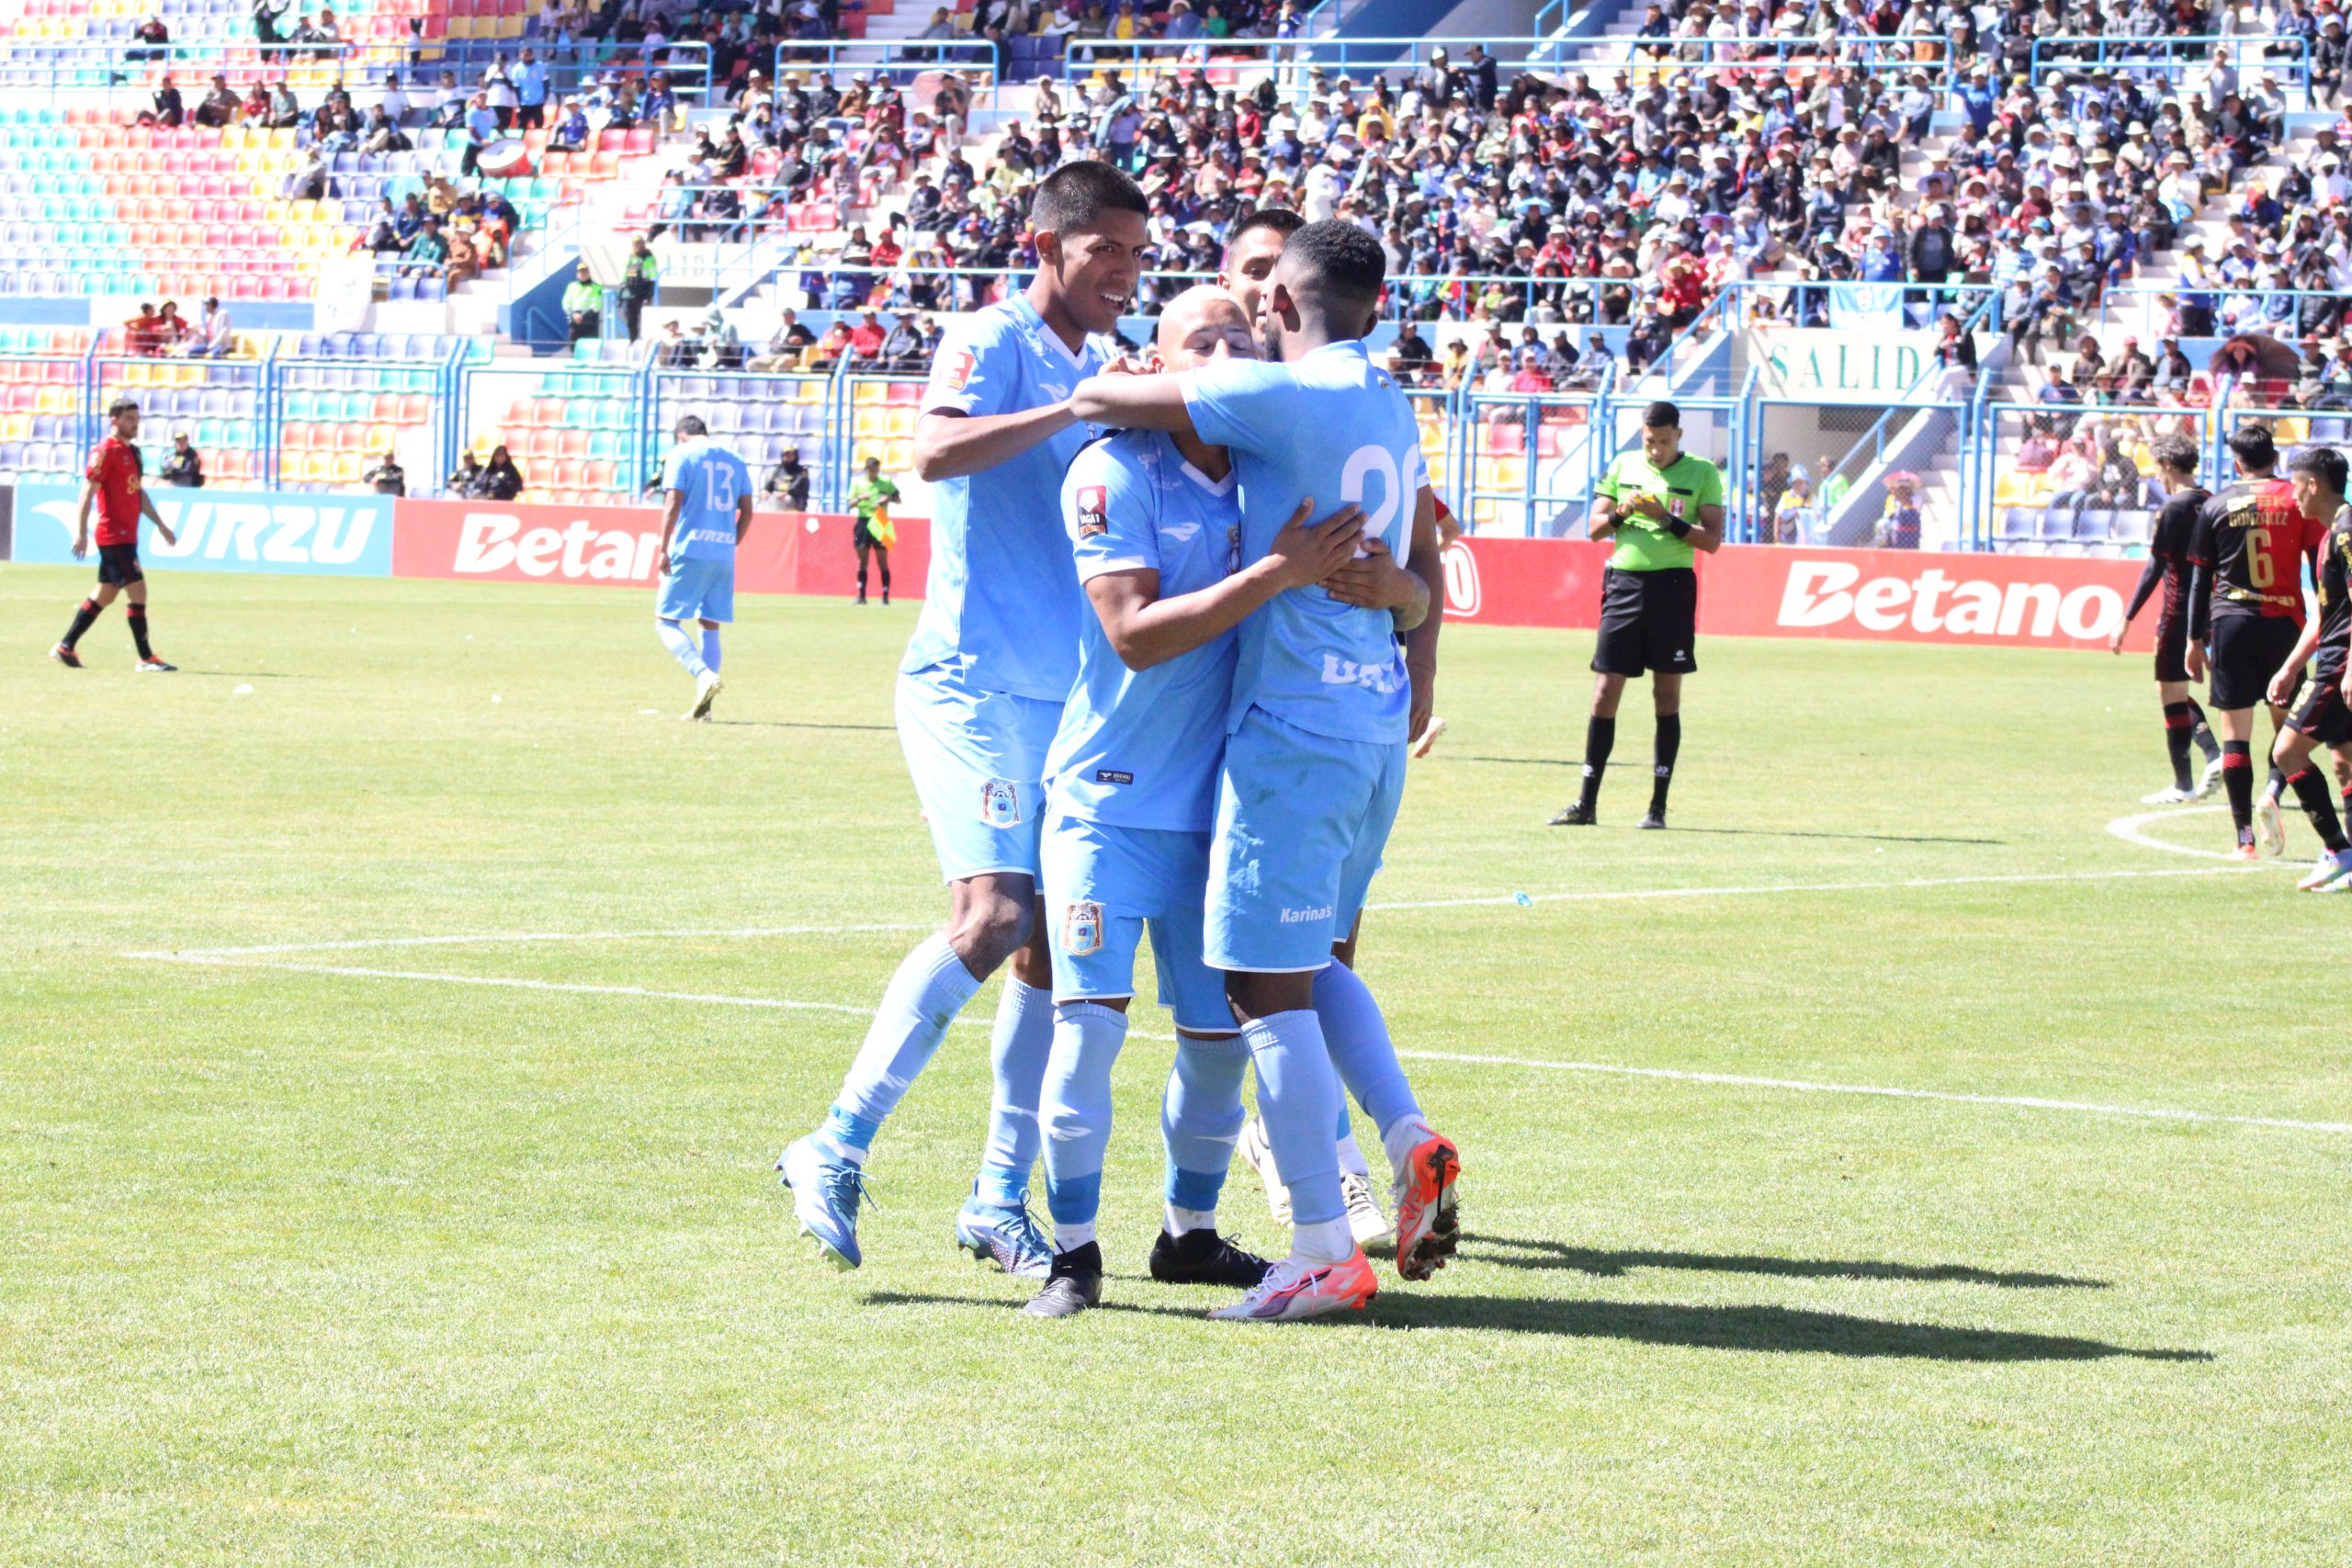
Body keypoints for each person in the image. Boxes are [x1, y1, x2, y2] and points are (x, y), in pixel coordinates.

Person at [1066, 220, 1460, 1320]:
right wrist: (1413, 623)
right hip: (1370, 725)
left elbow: (1095, 400)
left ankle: (1322, 1245)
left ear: (1278, 308)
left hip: (1295, 732)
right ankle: (1404, 1135)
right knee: (1314, 962)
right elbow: (1418, 571)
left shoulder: (1275, 393)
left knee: (1256, 987)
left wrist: (1137, 370)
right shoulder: (1390, 401)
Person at [776, 162, 1148, 1280]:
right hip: (973, 684)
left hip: (1070, 700)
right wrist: (1075, 408)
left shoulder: (1107, 365)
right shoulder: (992, 339)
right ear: (1045, 246)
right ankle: (835, 1141)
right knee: (992, 916)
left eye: (1138, 254)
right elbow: (933, 450)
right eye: (1105, 251)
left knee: (1051, 950)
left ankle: (994, 1198)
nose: (1125, 273)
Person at [1025, 286, 1365, 1319]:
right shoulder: (1112, 471)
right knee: (1088, 1030)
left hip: (1225, 810)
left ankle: (1188, 1234)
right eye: (1196, 338)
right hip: (1107, 800)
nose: (1221, 349)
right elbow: (1132, 635)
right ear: (1159, 364)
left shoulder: (1273, 466)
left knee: (1216, 1047)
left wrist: (1407, 607)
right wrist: (1275, 573)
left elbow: (1405, 553)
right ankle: (1073, 1256)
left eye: (1237, 335)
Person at [1550, 401, 1726, 830]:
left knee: (1666, 696)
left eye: (1664, 442)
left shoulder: (1702, 473)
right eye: (1649, 442)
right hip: (1624, 586)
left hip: (1673, 589)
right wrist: (1623, 512)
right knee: (1604, 692)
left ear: (1678, 435)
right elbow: (1594, 530)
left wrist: (1664, 518)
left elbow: (1712, 541)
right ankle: (1586, 804)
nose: (1656, 450)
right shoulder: (1623, 465)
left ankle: (1657, 808)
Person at [2186, 425, 2329, 858]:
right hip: (2284, 625)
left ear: (2236, 463)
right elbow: (2319, 566)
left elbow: (2200, 580)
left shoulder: (2216, 504)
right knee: (2286, 728)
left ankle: (2244, 839)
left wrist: (2193, 639)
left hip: (2231, 624)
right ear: (2276, 458)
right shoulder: (2294, 500)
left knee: (2235, 737)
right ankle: (2272, 791)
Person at [2111, 436, 2223, 804]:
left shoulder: (2173, 508)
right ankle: (2211, 756)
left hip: (2178, 609)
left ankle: (2186, 781)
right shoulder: (2211, 501)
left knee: (2170, 691)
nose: (2155, 475)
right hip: (2211, 606)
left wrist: (2127, 618)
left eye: (2156, 467)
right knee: (2174, 690)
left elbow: (2155, 566)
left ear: (2168, 465)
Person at [2266, 446, 2352, 890]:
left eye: (2296, 487)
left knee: (2287, 752)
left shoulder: (2347, 532)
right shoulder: (2328, 535)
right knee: (2345, 764)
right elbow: (2323, 614)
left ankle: (2337, 850)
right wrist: (2289, 667)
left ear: (2314, 485)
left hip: (2340, 664)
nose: (2292, 496)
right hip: (2331, 658)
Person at [50, 399, 178, 673]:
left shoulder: (133, 453)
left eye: (137, 418)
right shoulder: (105, 451)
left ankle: (66, 646)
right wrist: (80, 531)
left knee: (105, 595)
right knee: (138, 590)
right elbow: (87, 491)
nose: (135, 423)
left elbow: (138, 493)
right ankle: (146, 658)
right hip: (113, 534)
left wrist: (160, 524)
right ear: (114, 420)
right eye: (130, 418)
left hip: (127, 534)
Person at [653, 414, 754, 723]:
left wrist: (663, 547)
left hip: (691, 547)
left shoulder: (680, 454)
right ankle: (705, 709)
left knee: (666, 622)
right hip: (723, 552)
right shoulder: (735, 458)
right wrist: (731, 544)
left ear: (681, 436)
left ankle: (703, 674)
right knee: (710, 625)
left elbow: (673, 501)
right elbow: (747, 510)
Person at [846, 455, 900, 606]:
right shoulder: (857, 483)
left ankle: (885, 597)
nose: (874, 473)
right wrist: (860, 498)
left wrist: (888, 499)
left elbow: (898, 499)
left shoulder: (886, 482)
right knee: (862, 559)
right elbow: (849, 504)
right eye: (872, 471)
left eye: (876, 470)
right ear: (866, 470)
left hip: (881, 521)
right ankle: (861, 596)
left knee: (882, 559)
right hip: (863, 522)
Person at [618, 238, 657, 342]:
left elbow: (653, 276)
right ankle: (633, 341)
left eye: (639, 243)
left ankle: (644, 341)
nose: (637, 246)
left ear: (643, 244)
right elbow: (624, 276)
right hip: (630, 293)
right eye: (635, 243)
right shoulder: (630, 258)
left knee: (643, 318)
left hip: (642, 292)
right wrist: (621, 294)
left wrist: (649, 293)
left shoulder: (648, 258)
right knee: (631, 319)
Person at [562, 263, 603, 344]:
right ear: (577, 274)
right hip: (574, 321)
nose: (583, 274)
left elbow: (597, 305)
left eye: (585, 272)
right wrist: (573, 314)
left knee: (590, 346)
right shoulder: (572, 286)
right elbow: (566, 303)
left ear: (589, 273)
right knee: (573, 346)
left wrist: (582, 316)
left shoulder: (596, 287)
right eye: (581, 272)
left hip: (590, 321)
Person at [764, 446, 810, 511]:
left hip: (796, 500)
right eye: (786, 455)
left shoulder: (802, 471)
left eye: (791, 455)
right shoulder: (778, 470)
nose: (788, 457)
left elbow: (797, 486)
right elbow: (771, 483)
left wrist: (786, 493)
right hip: (778, 497)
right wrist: (766, 490)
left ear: (795, 456)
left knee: (787, 498)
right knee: (766, 496)